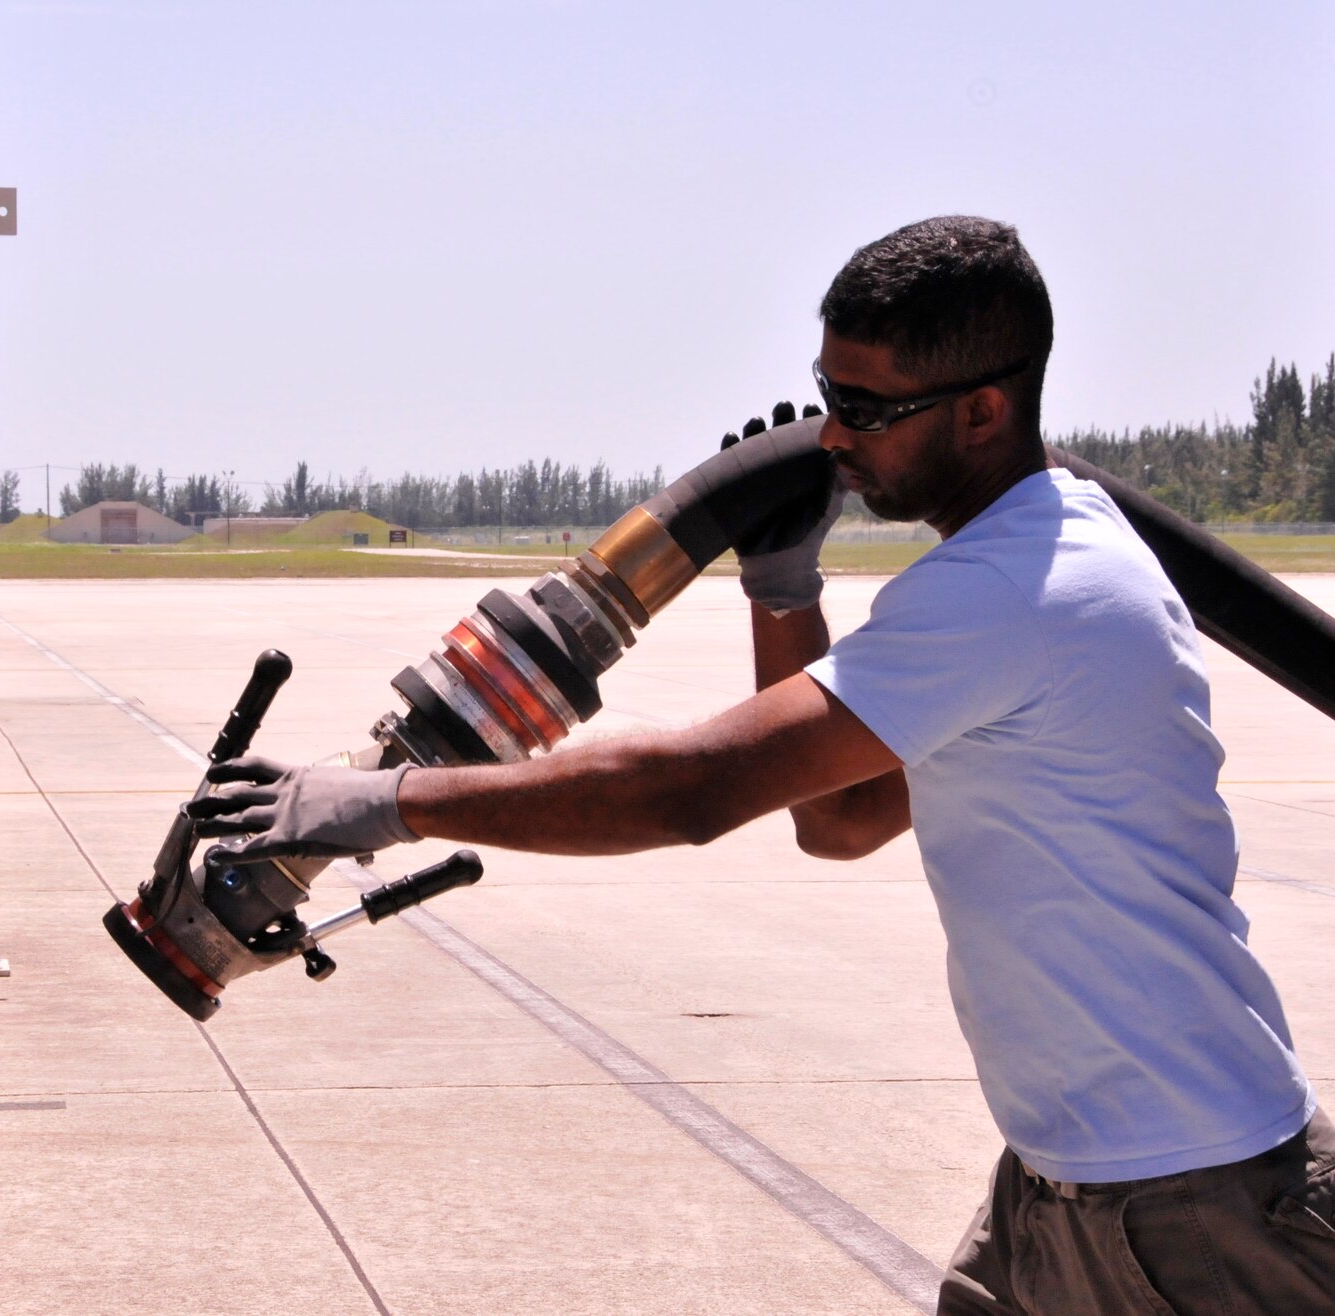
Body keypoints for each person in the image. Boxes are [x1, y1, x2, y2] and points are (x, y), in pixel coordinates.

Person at [188, 216, 1335, 1314]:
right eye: (826, 396)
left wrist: (381, 801)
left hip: (1198, 1210)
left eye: (865, 408)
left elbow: (691, 791)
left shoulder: (1019, 589)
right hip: (1060, 1189)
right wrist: (782, 586)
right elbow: (835, 821)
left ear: (982, 410)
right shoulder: (1024, 563)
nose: (829, 437)